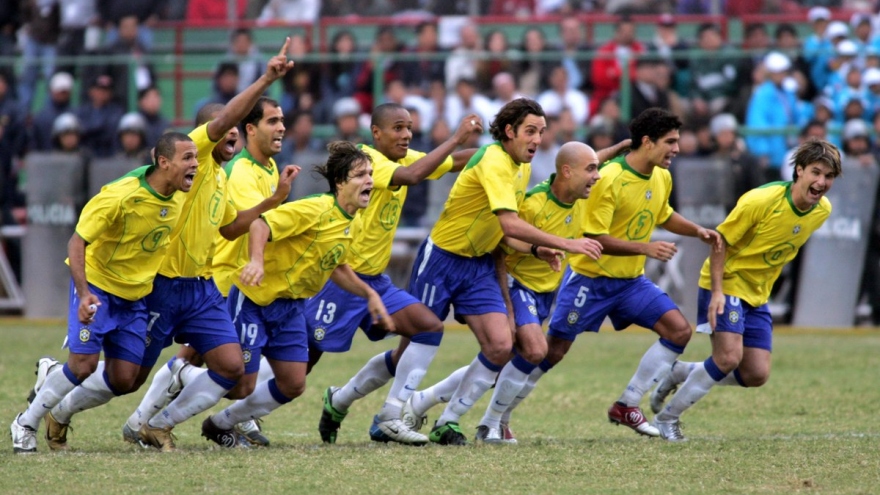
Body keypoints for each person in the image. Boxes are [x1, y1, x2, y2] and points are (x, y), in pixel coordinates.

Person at [31, 40, 297, 453]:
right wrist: (266, 77)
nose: (231, 135)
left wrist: (270, 202)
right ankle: (59, 405)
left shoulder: (223, 178)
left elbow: (229, 229)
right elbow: (225, 118)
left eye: (235, 133)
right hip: (163, 286)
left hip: (202, 288)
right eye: (226, 129)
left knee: (232, 368)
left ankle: (157, 425)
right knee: (126, 379)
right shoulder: (197, 157)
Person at [509, 108, 721, 439]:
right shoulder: (608, 178)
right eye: (670, 141)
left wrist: (698, 231)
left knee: (679, 331)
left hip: (630, 282)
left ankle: (627, 404)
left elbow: (663, 214)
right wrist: (645, 248)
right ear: (648, 142)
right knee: (550, 352)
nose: (677, 149)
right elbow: (593, 238)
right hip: (589, 280)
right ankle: (500, 414)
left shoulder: (662, 176)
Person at [406, 98, 604, 445]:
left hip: (497, 270)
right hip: (457, 260)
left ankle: (438, 411)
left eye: (542, 132)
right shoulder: (524, 188)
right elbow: (508, 229)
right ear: (510, 131)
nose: (537, 139)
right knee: (415, 339)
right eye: (531, 131)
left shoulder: (523, 168)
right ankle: (392, 411)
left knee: (502, 350)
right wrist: (565, 244)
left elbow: (508, 230)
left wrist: (541, 249)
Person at [10, 131, 197, 453]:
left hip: (135, 296)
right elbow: (77, 241)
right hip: (98, 289)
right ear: (163, 162)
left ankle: (54, 373)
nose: (195, 164)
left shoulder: (181, 195)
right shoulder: (121, 195)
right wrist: (83, 294)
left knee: (124, 379)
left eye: (196, 157)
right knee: (82, 365)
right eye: (188, 158)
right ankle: (25, 423)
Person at [199, 141, 394, 447]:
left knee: (293, 383)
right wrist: (257, 261)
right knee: (237, 382)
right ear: (341, 182)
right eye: (360, 174)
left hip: (289, 305)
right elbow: (260, 225)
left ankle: (220, 423)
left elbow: (336, 265)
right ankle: (161, 414)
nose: (369, 179)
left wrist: (370, 294)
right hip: (254, 295)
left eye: (371, 173)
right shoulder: (316, 207)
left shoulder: (352, 222)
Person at [132, 94, 298, 448]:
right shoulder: (230, 167)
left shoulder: (257, 169)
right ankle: (147, 418)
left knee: (215, 363)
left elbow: (232, 225)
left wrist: (274, 201)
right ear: (250, 129)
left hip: (211, 282)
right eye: (272, 121)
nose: (281, 127)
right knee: (135, 374)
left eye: (283, 120)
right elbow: (254, 228)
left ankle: (146, 423)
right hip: (224, 278)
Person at [649, 139, 842, 442]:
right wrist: (715, 293)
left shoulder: (822, 210)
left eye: (829, 177)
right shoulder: (760, 201)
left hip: (757, 292)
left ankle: (681, 372)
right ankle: (667, 418)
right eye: (816, 172)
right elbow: (719, 243)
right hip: (727, 282)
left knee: (756, 374)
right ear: (799, 170)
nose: (821, 182)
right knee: (727, 358)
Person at [313, 104, 482, 446]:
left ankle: (388, 415)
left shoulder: (405, 158)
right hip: (339, 277)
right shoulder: (368, 162)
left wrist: (496, 153)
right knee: (296, 368)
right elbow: (413, 176)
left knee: (428, 326)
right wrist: (455, 138)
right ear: (376, 133)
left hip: (376, 280)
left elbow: (449, 162)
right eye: (398, 128)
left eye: (409, 128)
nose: (406, 134)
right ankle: (241, 416)